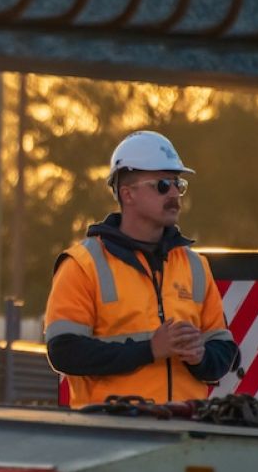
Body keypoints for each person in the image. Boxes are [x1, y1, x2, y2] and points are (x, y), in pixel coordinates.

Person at [44, 131, 238, 408]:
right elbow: (64, 352)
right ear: (127, 194)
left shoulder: (195, 266)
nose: (173, 194)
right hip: (109, 433)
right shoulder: (82, 265)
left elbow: (223, 350)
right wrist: (150, 350)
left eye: (177, 185)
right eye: (162, 185)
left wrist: (200, 357)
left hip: (183, 432)